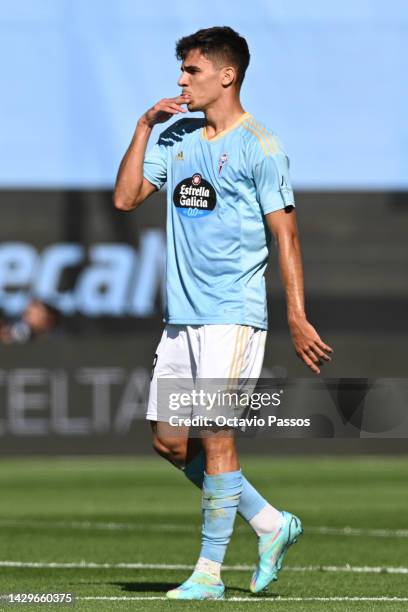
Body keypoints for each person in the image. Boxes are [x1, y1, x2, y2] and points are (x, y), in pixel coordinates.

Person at [114, 26, 333, 600]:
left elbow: (285, 235)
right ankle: (269, 523)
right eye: (182, 70)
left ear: (226, 75)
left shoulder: (260, 146)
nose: (181, 80)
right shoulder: (179, 134)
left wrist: (297, 315)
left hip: (231, 313)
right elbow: (127, 197)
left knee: (216, 434)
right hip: (181, 316)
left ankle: (209, 575)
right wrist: (144, 127)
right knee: (168, 441)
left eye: (191, 70)